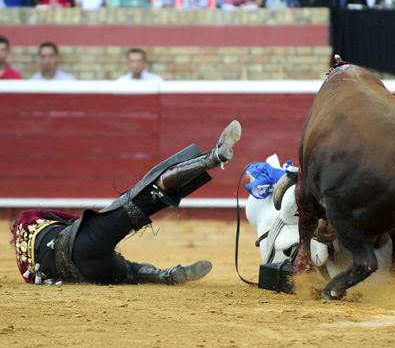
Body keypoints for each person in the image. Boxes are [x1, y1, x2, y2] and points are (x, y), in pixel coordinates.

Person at [11, 121, 242, 286]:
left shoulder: (24, 266)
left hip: (88, 274)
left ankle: (167, 275)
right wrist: (103, 221)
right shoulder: (27, 218)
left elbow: (34, 279)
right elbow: (73, 220)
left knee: (130, 271)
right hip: (83, 242)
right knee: (142, 196)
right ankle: (213, 158)